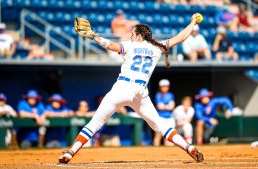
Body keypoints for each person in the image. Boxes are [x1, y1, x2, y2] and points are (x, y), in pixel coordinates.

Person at [59, 14, 205, 164]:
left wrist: (94, 36)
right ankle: (188, 147)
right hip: (140, 92)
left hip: (122, 88)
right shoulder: (157, 47)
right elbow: (180, 37)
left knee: (95, 123)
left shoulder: (130, 45)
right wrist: (192, 22)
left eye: (133, 34)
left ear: (140, 36)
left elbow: (110, 45)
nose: (131, 36)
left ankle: (70, 152)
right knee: (160, 125)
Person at [154, 79, 175, 146]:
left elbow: (172, 106)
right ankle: (155, 152)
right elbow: (159, 106)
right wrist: (167, 106)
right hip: (160, 117)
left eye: (166, 86)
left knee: (168, 136)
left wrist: (164, 106)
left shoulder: (170, 95)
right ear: (160, 87)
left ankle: (167, 154)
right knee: (158, 135)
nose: (165, 88)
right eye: (163, 86)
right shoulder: (158, 95)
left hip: (169, 118)